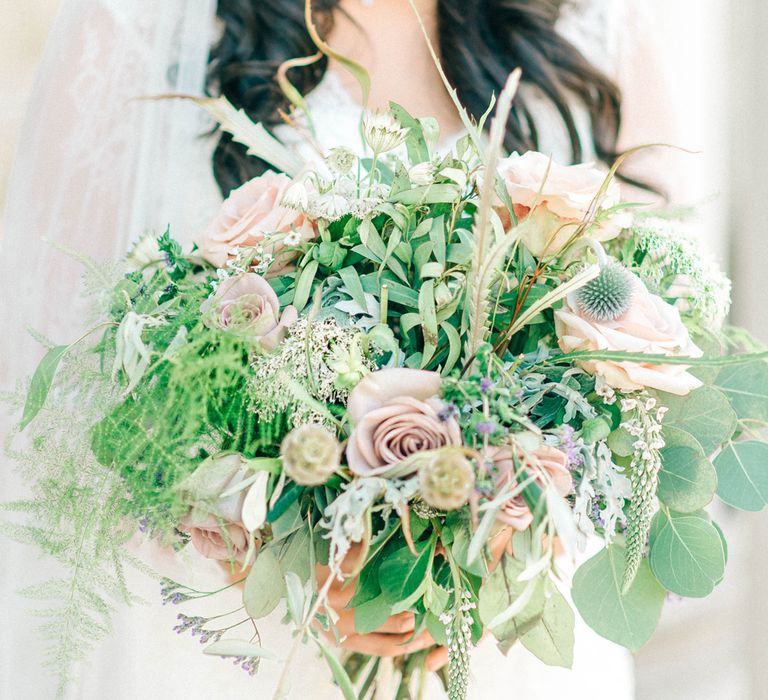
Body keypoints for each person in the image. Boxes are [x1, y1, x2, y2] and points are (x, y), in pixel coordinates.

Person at [0, 0, 682, 697]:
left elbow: (666, 329)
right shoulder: (131, 25)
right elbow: (55, 390)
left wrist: (518, 517)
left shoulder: (595, 24)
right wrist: (271, 556)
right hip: (238, 644)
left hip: (511, 639)